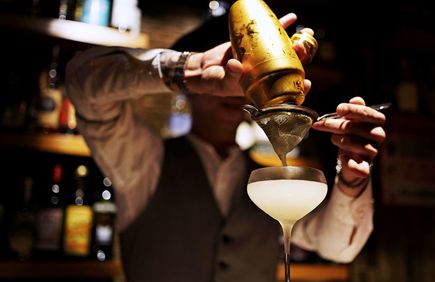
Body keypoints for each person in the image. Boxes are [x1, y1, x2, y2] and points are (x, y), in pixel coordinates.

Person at [65, 12, 386, 282]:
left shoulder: (269, 186)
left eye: (248, 78)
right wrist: (191, 68)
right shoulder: (142, 161)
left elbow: (337, 248)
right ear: (190, 88)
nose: (235, 90)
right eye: (231, 73)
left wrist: (352, 180)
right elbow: (82, 82)